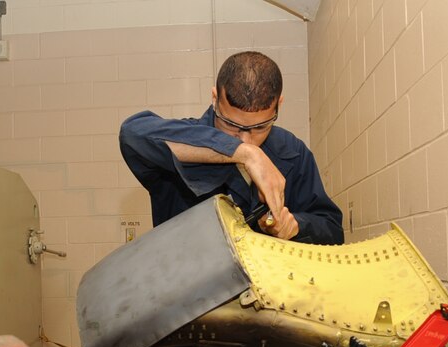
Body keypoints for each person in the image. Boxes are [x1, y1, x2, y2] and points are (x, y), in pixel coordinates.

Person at [119, 51, 344, 245]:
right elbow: (133, 134)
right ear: (215, 98)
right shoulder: (183, 139)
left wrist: (295, 226)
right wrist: (246, 154)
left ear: (279, 105)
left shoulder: (293, 152)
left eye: (260, 127)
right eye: (231, 125)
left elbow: (332, 229)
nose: (245, 139)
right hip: (189, 291)